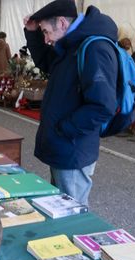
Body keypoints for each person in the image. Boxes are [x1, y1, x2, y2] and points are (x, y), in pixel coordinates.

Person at [23, 0, 119, 205]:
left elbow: (103, 105)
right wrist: (32, 33)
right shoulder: (70, 44)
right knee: (58, 209)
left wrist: (65, 129)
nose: (46, 39)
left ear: (62, 23)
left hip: (73, 149)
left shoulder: (94, 48)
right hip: (63, 146)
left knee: (71, 213)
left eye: (46, 32)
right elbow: (46, 62)